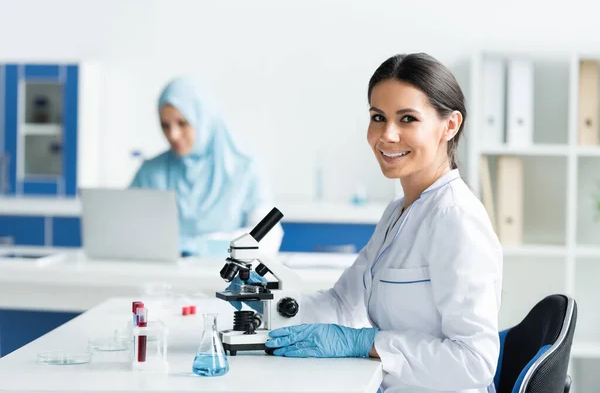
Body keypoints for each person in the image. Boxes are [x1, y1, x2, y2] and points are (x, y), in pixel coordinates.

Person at [233, 53, 502, 392]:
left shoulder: (456, 219)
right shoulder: (399, 212)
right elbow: (343, 303)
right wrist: (267, 300)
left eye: (407, 119)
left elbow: (474, 362)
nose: (387, 135)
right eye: (378, 117)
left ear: (449, 126)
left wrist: (367, 343)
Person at [129, 77, 282, 257]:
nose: (173, 135)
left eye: (182, 123)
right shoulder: (151, 172)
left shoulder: (245, 168)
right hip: (162, 280)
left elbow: (268, 237)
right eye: (165, 125)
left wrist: (200, 246)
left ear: (204, 119)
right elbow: (123, 230)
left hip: (226, 277)